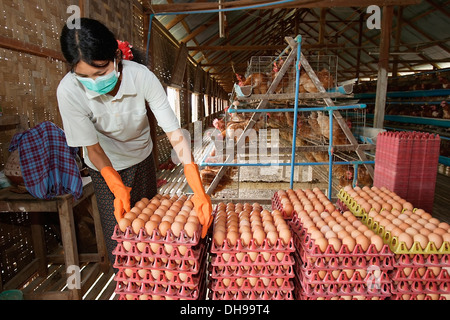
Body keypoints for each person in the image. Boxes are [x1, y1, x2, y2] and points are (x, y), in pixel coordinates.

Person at [57, 18, 212, 268]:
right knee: (121, 239)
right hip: (105, 166)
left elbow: (174, 132)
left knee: (152, 230)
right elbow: (92, 148)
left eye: (101, 72)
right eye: (84, 76)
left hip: (141, 157)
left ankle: (158, 280)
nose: (95, 82)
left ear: (116, 56)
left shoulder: (141, 78)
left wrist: (194, 181)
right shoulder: (69, 91)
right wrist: (115, 185)